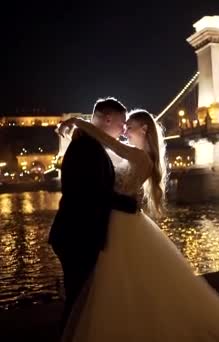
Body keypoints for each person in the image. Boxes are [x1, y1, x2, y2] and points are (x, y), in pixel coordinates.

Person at [57, 109, 219, 341]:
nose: (124, 131)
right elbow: (103, 151)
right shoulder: (132, 152)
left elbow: (107, 143)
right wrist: (76, 135)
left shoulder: (140, 156)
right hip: (121, 222)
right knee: (136, 280)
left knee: (122, 276)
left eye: (129, 127)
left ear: (143, 129)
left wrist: (80, 122)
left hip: (124, 226)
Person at [48, 97, 137, 330]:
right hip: (77, 236)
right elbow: (92, 193)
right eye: (122, 122)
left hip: (75, 233)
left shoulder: (88, 144)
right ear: (108, 119)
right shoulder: (87, 147)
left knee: (82, 298)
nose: (124, 128)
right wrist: (131, 205)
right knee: (80, 300)